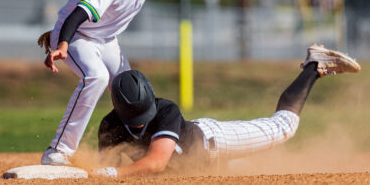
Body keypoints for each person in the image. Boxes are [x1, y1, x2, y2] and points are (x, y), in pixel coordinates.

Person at [40, 0, 217, 165]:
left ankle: (140, 149)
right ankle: (58, 151)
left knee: (133, 93)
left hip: (106, 39)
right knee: (96, 77)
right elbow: (78, 15)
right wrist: (62, 46)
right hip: (76, 35)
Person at [93, 44, 360, 178]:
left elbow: (156, 162)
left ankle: (314, 65)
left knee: (284, 128)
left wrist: (114, 174)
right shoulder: (110, 127)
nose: (141, 123)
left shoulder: (165, 110)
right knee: (247, 171)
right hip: (200, 168)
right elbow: (108, 167)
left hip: (214, 141)